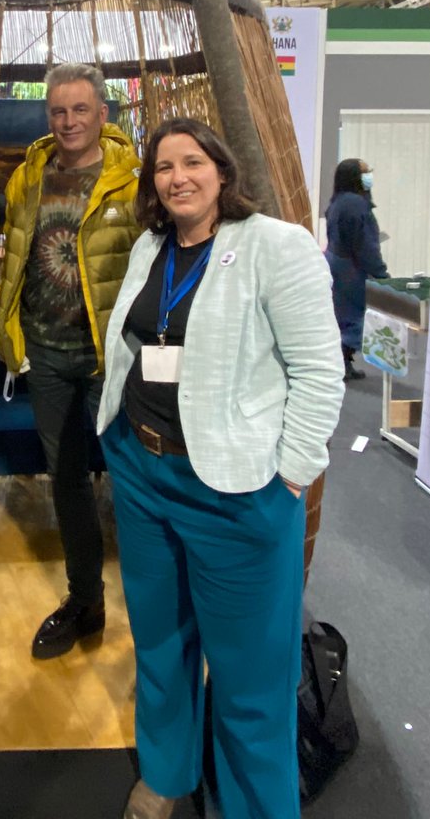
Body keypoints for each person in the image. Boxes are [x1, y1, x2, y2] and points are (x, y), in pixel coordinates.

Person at [97, 117, 345, 819]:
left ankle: (256, 807)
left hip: (237, 494)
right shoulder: (152, 247)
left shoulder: (275, 246)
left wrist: (291, 476)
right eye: (164, 167)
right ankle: (168, 775)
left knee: (250, 678)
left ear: (222, 171)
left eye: (192, 162)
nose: (178, 177)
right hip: (144, 476)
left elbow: (321, 373)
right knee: (162, 645)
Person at [0, 62, 141, 658]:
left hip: (113, 359)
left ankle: (158, 609)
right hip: (46, 354)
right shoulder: (29, 176)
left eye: (81, 109)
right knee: (69, 481)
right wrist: (9, 333)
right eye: (58, 111)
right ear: (47, 115)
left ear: (103, 114)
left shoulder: (131, 179)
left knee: (133, 478)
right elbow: (16, 254)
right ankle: (86, 600)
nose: (70, 121)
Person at [325, 158, 389, 381]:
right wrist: (380, 273)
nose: (369, 174)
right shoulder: (356, 205)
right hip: (350, 269)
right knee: (354, 317)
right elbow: (365, 244)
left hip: (336, 263)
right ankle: (342, 361)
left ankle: (343, 363)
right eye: (365, 171)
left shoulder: (339, 201)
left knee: (341, 316)